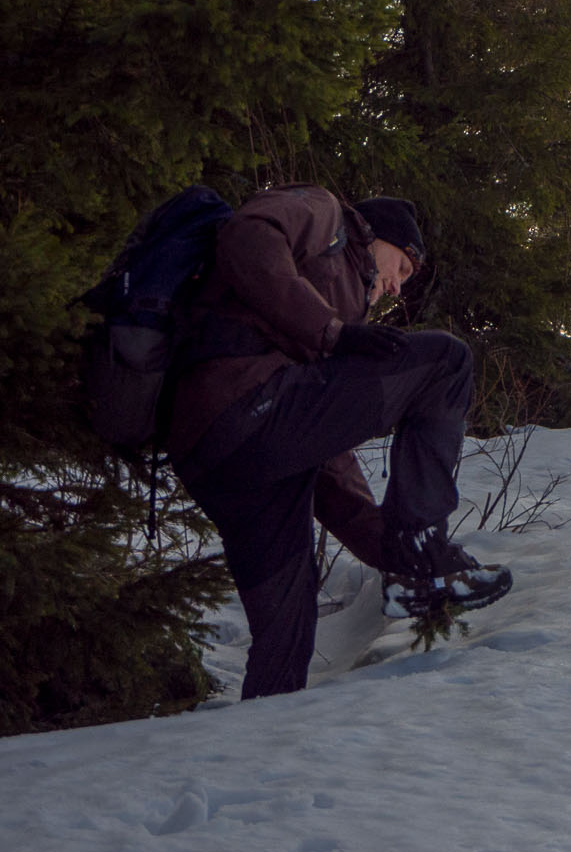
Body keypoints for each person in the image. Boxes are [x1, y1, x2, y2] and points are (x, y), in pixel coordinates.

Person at [167, 184, 511, 699]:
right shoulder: (325, 213)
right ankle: (423, 546)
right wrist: (332, 333)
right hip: (240, 407)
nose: (397, 287)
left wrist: (389, 554)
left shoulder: (340, 312)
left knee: (288, 627)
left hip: (230, 461)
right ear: (380, 237)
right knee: (446, 363)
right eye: (403, 268)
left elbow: (327, 462)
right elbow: (248, 236)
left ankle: (261, 751)